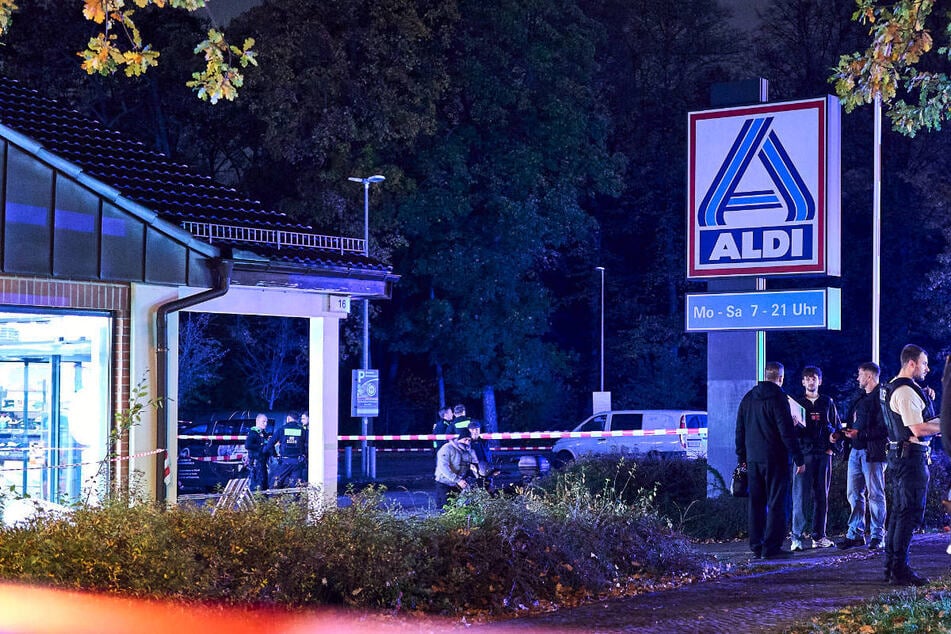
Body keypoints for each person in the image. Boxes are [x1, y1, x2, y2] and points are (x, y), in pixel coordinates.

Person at [880, 344, 941, 586]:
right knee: (908, 513)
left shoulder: (896, 387)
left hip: (900, 455)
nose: (927, 368)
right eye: (924, 363)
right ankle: (900, 569)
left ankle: (892, 567)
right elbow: (917, 428)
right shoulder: (904, 391)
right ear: (912, 363)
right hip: (910, 457)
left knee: (899, 512)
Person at [736, 361, 805, 559]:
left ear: (765, 375)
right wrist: (798, 458)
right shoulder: (779, 398)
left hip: (752, 459)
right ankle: (772, 546)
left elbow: (739, 429)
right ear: (780, 378)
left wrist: (742, 457)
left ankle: (756, 544)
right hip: (775, 458)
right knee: (777, 502)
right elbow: (786, 432)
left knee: (756, 502)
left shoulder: (748, 398)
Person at [836, 362, 888, 550]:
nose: (857, 378)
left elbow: (884, 429)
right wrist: (842, 434)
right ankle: (855, 533)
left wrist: (861, 435)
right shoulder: (859, 398)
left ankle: (877, 535)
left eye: (860, 375)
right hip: (855, 451)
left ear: (869, 376)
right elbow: (853, 421)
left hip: (872, 452)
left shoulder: (882, 398)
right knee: (853, 494)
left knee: (875, 494)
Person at [790, 366, 839, 551]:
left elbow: (835, 426)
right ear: (803, 382)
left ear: (820, 381)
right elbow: (789, 432)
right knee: (800, 496)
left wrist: (832, 446)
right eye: (808, 378)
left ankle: (818, 536)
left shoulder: (827, 402)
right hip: (804, 455)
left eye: (814, 378)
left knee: (821, 496)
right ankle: (796, 537)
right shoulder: (797, 403)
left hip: (823, 454)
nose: (811, 381)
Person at [434, 427, 479, 508]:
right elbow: (443, 467)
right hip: (444, 483)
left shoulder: (469, 451)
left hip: (458, 484)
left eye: (469, 440)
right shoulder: (447, 448)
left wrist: (478, 475)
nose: (467, 442)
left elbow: (473, 465)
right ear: (459, 439)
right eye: (465, 439)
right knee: (445, 509)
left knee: (457, 509)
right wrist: (458, 480)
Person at [266, 412, 307, 488]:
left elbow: (270, 444)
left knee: (275, 484)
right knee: (295, 487)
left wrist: (274, 454)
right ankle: (295, 499)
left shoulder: (282, 429)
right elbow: (307, 444)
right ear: (297, 420)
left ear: (288, 418)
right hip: (297, 462)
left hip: (284, 462)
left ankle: (273, 499)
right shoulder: (302, 430)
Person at [467, 420, 498, 488]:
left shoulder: (484, 442)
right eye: (472, 430)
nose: (475, 432)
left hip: (485, 472)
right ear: (469, 430)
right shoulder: (466, 443)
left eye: (477, 429)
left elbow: (488, 456)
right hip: (472, 473)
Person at [244, 413, 271, 491]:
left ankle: (263, 501)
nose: (265, 424)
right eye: (263, 422)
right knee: (257, 484)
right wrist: (261, 447)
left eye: (266, 422)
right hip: (256, 462)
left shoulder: (263, 433)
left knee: (264, 483)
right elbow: (248, 445)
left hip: (262, 462)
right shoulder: (253, 433)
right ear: (258, 421)